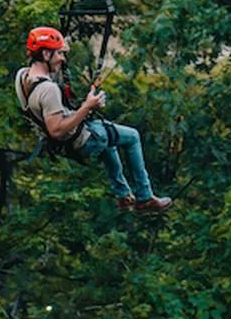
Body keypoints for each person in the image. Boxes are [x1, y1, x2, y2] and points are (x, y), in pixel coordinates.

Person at [14, 27, 172, 212]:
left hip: (62, 143)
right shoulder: (48, 90)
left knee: (110, 138)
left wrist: (83, 105)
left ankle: (123, 197)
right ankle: (144, 197)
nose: (63, 59)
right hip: (80, 141)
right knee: (132, 137)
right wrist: (88, 106)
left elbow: (48, 109)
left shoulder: (23, 76)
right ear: (46, 53)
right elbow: (56, 129)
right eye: (60, 54)